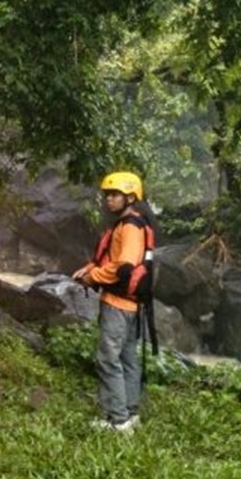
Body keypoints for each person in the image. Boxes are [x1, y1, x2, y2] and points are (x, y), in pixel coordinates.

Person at [72, 171, 153, 433]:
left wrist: (93, 277)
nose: (109, 199)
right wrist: (89, 270)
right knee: (128, 358)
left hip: (118, 304)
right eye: (107, 194)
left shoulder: (129, 227)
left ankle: (118, 420)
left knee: (108, 359)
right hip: (130, 304)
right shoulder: (133, 223)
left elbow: (124, 266)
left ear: (130, 197)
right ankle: (130, 414)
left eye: (115, 194)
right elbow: (111, 259)